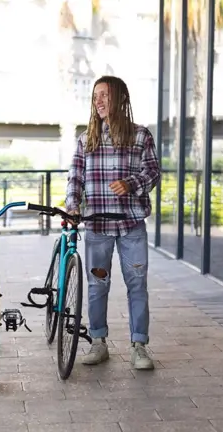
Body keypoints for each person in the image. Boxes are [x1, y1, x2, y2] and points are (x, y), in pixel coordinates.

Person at [65, 75, 161, 370]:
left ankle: (139, 346)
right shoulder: (86, 139)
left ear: (119, 98)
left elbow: (154, 173)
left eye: (104, 95)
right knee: (97, 286)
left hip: (131, 225)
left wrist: (131, 183)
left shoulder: (141, 135)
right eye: (95, 96)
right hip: (97, 226)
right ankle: (98, 342)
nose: (98, 101)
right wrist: (71, 206)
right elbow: (75, 177)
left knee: (137, 285)